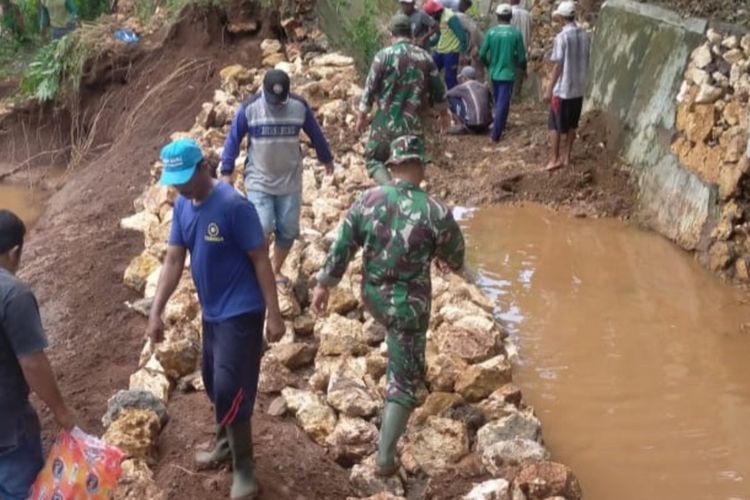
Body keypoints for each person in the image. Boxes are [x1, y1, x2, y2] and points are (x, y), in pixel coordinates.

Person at [311, 135, 465, 477]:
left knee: (398, 341)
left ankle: (397, 354)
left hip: (373, 297)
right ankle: (384, 458)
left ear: (392, 167)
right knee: (403, 382)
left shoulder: (368, 199)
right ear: (421, 167)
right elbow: (456, 256)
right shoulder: (436, 210)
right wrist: (438, 256)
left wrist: (324, 284)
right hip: (409, 306)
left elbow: (343, 246)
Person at [147, 138, 285, 500]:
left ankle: (245, 471)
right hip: (212, 313)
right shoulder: (182, 206)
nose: (177, 186)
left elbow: (260, 258)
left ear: (203, 168)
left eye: (183, 177)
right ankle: (224, 443)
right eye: (173, 180)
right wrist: (156, 310)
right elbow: (174, 260)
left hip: (241, 312)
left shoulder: (233, 206)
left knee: (230, 387)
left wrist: (275, 314)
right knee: (211, 379)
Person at [221, 69, 334, 288]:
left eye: (280, 102)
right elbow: (233, 139)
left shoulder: (298, 107)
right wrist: (227, 171)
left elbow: (315, 132)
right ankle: (256, 271)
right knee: (261, 226)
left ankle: (274, 270)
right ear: (263, 91)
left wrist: (326, 158)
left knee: (289, 229)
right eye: (272, 101)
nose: (276, 106)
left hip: (289, 178)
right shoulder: (249, 108)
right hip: (259, 178)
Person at [0, 210, 76, 500]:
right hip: (7, 428)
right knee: (20, 489)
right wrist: (62, 412)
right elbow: (32, 362)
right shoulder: (13, 294)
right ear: (15, 251)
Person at [356, 13, 449, 184]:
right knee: (412, 161)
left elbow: (369, 89)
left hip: (385, 126)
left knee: (374, 160)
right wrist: (444, 115)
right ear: (412, 34)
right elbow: (439, 91)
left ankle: (390, 190)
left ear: (391, 34)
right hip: (413, 126)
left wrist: (362, 116)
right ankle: (409, 196)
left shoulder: (382, 57)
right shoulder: (425, 58)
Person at [545, 0, 591, 171]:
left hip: (563, 90)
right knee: (572, 125)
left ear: (562, 18)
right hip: (578, 89)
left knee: (554, 125)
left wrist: (549, 88)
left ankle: (554, 158)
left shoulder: (561, 37)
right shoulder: (585, 36)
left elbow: (558, 65)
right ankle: (567, 157)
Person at [479, 3, 526, 142]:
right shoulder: (516, 34)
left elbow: (482, 54)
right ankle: (495, 134)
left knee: (499, 101)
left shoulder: (491, 32)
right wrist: (521, 66)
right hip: (508, 74)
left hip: (494, 73)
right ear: (510, 17)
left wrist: (489, 65)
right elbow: (522, 58)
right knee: (502, 103)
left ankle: (500, 125)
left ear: (498, 17)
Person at [423, 0, 468, 90]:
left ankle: (454, 101)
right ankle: (433, 96)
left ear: (435, 12)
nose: (431, 17)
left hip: (451, 52)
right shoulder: (439, 18)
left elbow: (462, 36)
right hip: (440, 50)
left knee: (450, 79)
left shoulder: (450, 17)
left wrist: (462, 54)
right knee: (430, 71)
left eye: (431, 15)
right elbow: (441, 34)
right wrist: (429, 42)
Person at [446, 66, 492, 134]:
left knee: (452, 98)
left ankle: (461, 124)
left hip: (471, 124)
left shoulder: (464, 87)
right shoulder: (483, 86)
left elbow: (446, 94)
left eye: (462, 78)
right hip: (486, 123)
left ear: (465, 77)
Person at [455, 0, 485, 81]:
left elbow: (474, 30)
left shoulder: (459, 16)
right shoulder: (460, 16)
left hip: (478, 45)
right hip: (475, 44)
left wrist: (475, 46)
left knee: (475, 72)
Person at [509, 0, 532, 100]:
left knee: (509, 80)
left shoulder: (508, 14)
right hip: (523, 50)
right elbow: (530, 32)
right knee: (518, 82)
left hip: (510, 51)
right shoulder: (527, 15)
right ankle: (516, 98)